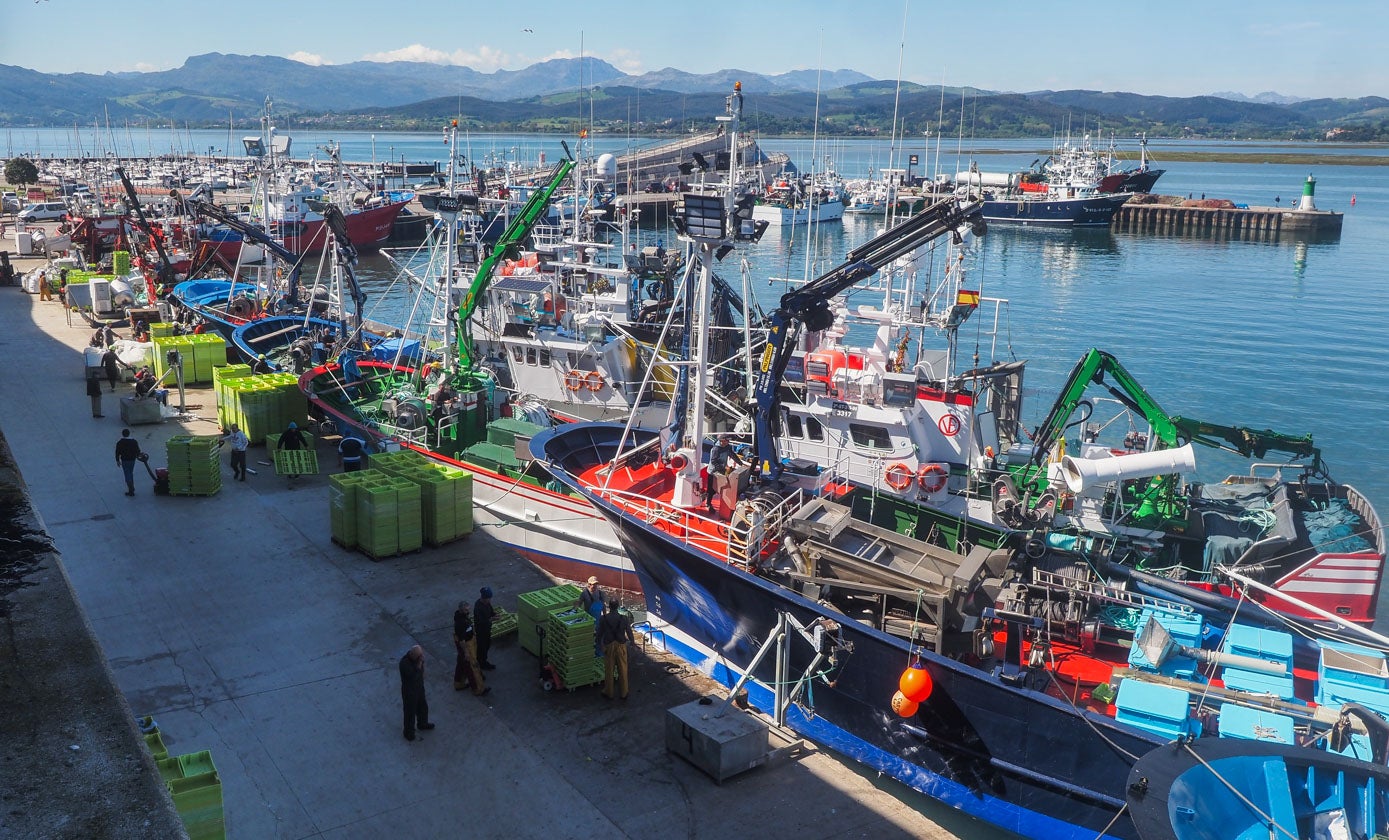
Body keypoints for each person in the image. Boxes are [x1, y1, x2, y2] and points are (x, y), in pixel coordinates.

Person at [598, 599, 635, 700]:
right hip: (621, 645)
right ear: (618, 606)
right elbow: (629, 632)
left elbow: (599, 634)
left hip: (608, 646)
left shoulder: (603, 618)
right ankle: (624, 692)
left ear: (609, 606)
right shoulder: (624, 618)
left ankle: (608, 692)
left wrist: (600, 645)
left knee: (609, 670)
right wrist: (632, 643)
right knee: (623, 669)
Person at [398, 645, 434, 742]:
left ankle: (422, 723)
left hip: (419, 688)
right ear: (412, 654)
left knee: (423, 707)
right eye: (419, 656)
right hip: (409, 692)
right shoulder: (404, 663)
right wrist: (419, 664)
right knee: (410, 712)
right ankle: (408, 732)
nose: (421, 658)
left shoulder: (418, 659)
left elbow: (421, 672)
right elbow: (412, 676)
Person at [452, 602, 489, 696]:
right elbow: (461, 641)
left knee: (462, 663)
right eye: (466, 610)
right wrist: (466, 653)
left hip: (468, 641)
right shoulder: (460, 623)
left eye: (468, 609)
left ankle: (459, 683)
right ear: (461, 610)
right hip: (466, 645)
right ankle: (478, 689)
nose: (468, 611)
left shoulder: (462, 617)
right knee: (472, 666)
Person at [705, 434, 744, 512]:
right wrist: (723, 468)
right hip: (713, 472)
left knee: (723, 486)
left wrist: (740, 463)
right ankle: (708, 503)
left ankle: (726, 503)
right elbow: (713, 461)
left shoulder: (727, 447)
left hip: (722, 469)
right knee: (711, 489)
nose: (728, 442)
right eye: (727, 440)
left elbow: (732, 455)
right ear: (721, 441)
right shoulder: (715, 449)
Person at [473, 587, 497, 670]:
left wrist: (494, 614)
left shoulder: (487, 603)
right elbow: (481, 621)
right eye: (489, 598)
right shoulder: (478, 607)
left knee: (487, 645)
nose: (490, 600)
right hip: (481, 631)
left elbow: (491, 610)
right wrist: (491, 619)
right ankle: (482, 663)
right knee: (482, 648)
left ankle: (483, 661)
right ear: (484, 598)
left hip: (487, 629)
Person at [115, 428, 141, 495]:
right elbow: (138, 451)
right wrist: (138, 455)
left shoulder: (120, 442)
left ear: (122, 434)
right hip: (132, 460)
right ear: (129, 433)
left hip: (124, 460)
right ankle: (132, 487)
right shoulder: (134, 441)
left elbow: (117, 452)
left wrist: (117, 460)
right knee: (130, 472)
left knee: (127, 474)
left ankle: (131, 489)